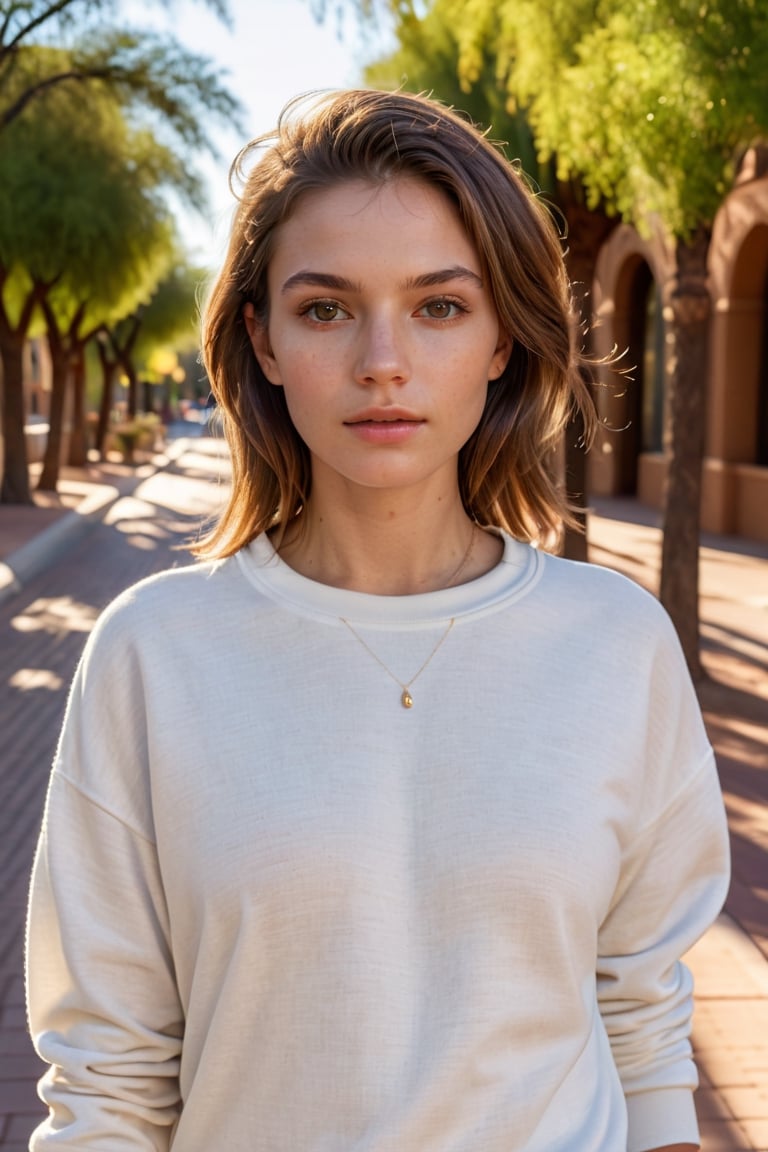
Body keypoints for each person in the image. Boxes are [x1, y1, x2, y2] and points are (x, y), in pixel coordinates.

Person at [26, 88, 730, 1152]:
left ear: (502, 339)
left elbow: (644, 1032)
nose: (382, 363)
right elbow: (108, 1083)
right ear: (261, 341)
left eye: (440, 305)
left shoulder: (616, 642)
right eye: (326, 308)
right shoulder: (153, 653)